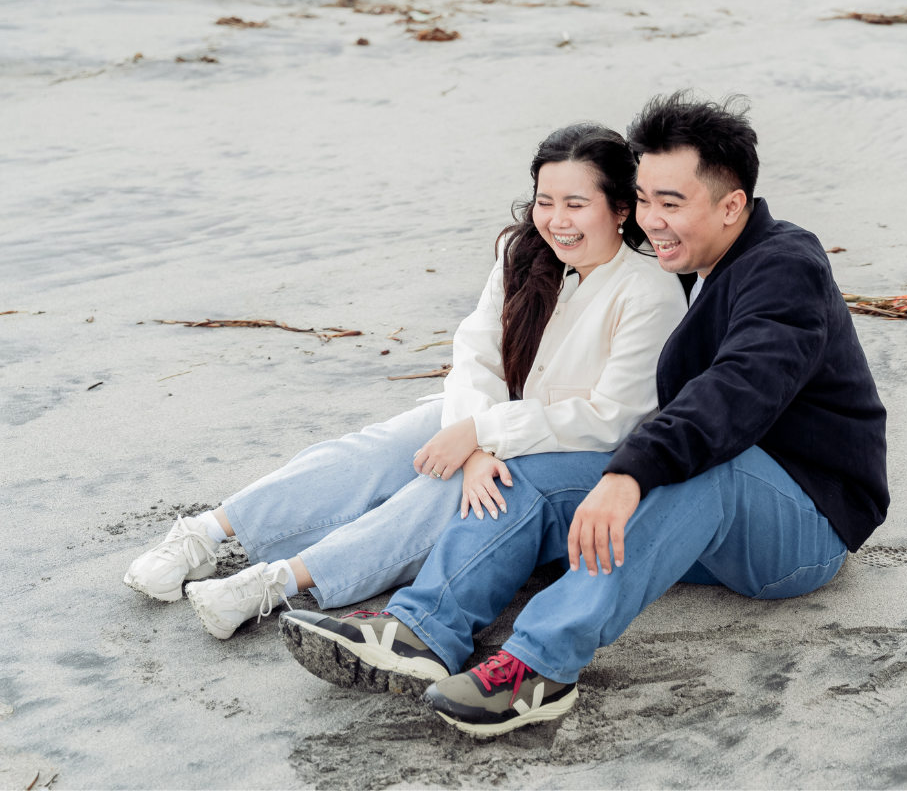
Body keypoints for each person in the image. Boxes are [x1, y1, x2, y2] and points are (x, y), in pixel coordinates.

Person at [278, 92, 888, 732]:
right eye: (644, 200)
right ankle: (422, 631)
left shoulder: (784, 267)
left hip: (804, 524)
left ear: (732, 205)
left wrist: (629, 473)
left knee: (705, 471)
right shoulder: (687, 263)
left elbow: (738, 390)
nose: (651, 221)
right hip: (700, 530)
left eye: (671, 203)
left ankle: (537, 666)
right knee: (527, 468)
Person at [122, 123, 687, 682]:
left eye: (576, 205)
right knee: (384, 447)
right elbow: (477, 355)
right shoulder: (521, 254)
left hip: (568, 451)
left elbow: (611, 417)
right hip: (493, 416)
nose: (557, 220)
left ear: (620, 209)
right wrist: (472, 439)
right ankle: (206, 533)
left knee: (452, 490)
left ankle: (275, 582)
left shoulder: (648, 290)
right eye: (545, 202)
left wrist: (483, 438)